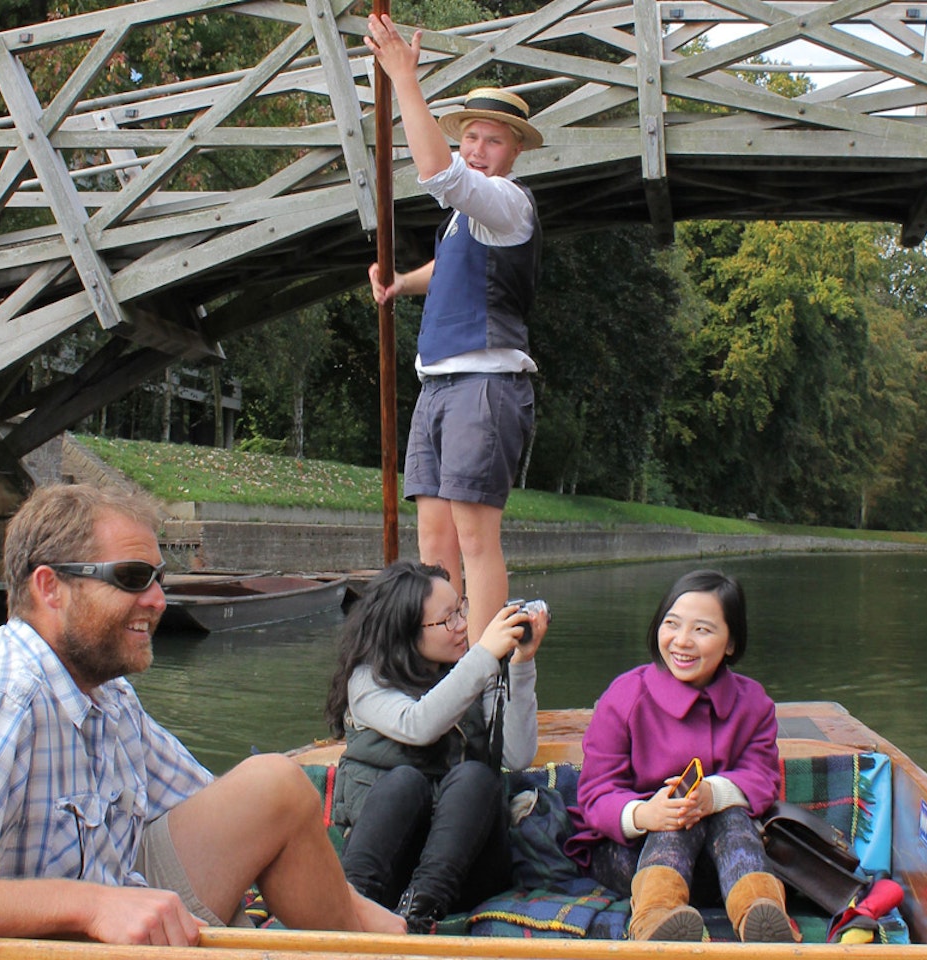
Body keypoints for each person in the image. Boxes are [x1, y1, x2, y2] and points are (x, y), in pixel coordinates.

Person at [0, 483, 404, 945]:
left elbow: (205, 801)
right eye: (132, 578)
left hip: (108, 904)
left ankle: (368, 944)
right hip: (39, 942)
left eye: (160, 579)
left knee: (275, 790)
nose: (158, 600)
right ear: (49, 588)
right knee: (279, 783)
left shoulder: (107, 694)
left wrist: (370, 918)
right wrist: (92, 904)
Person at [364, 13, 544, 638]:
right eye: (470, 136)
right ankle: (440, 654)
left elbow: (440, 175)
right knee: (434, 538)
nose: (476, 150)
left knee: (473, 536)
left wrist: (403, 81)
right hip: (438, 386)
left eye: (493, 141)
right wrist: (398, 284)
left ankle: (484, 669)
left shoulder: (508, 203)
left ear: (514, 151)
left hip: (484, 384)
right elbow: (448, 267)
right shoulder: (467, 221)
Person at [564, 570, 796, 943]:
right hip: (629, 854)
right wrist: (645, 814)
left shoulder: (753, 703)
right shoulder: (624, 697)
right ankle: (656, 918)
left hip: (722, 865)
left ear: (731, 642)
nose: (682, 641)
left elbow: (763, 777)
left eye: (702, 630)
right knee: (677, 821)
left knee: (726, 813)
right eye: (672, 624)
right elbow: (595, 794)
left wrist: (713, 796)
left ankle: (760, 914)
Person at [323, 559, 548, 933]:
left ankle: (419, 914)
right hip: (393, 863)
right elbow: (419, 724)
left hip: (465, 869)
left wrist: (521, 664)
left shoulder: (474, 669)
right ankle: (350, 901)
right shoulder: (367, 681)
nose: (462, 625)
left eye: (462, 609)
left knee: (476, 776)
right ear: (406, 631)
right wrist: (483, 658)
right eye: (447, 620)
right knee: (403, 782)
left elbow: (518, 756)